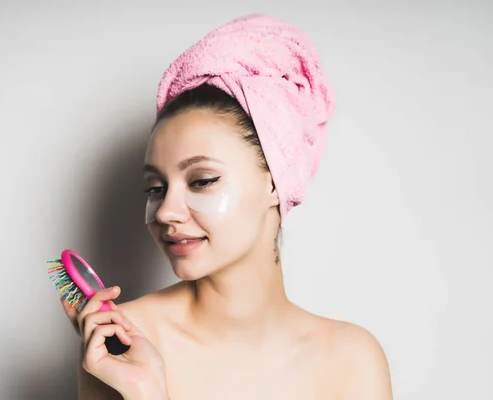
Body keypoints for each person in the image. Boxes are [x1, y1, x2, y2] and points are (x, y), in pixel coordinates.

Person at [61, 14, 393, 400]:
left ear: (275, 180)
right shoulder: (123, 342)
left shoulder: (352, 360)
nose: (166, 211)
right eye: (155, 188)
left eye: (202, 180)